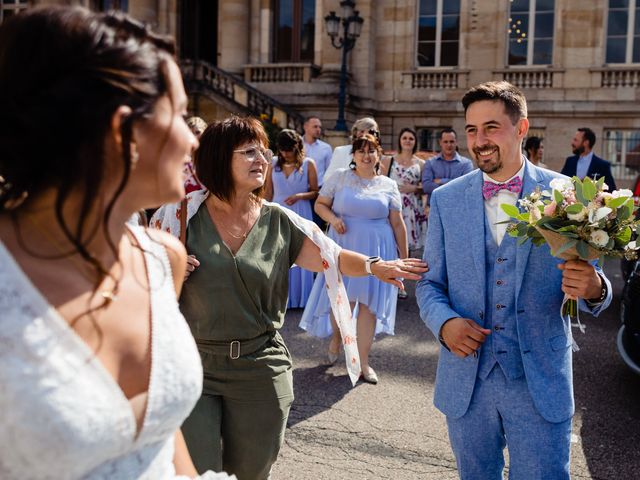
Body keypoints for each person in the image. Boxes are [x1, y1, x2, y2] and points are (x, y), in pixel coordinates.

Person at [0, 6, 233, 479]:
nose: (193, 141)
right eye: (181, 115)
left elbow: (163, 436)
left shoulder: (161, 259)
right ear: (122, 132)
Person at [150, 116, 426, 479]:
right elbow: (136, 278)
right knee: (196, 471)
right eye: (248, 152)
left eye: (262, 151)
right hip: (193, 365)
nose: (262, 160)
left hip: (260, 368)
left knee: (253, 469)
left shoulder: (279, 221)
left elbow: (334, 256)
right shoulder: (177, 216)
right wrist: (165, 268)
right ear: (218, 158)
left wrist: (377, 266)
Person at [416, 80, 612, 479]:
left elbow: (598, 285)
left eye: (491, 127)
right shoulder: (446, 199)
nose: (479, 140)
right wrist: (444, 323)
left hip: (538, 378)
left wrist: (594, 288)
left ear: (521, 129)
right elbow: (429, 283)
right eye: (471, 129)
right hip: (467, 381)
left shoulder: (568, 192)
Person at [301, 133, 408, 385]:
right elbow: (320, 205)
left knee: (369, 307)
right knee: (342, 302)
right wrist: (333, 219)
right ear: (353, 155)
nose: (366, 156)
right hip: (344, 245)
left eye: (371, 151)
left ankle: (363, 363)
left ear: (378, 155)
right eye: (361, 151)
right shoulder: (340, 177)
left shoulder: (388, 185)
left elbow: (397, 222)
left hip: (379, 249)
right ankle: (337, 338)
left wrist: (404, 259)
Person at [265, 129, 318, 308]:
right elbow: (268, 192)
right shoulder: (272, 164)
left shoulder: (309, 164)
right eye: (282, 150)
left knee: (302, 250)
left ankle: (302, 299)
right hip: (278, 211)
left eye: (289, 150)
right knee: (280, 253)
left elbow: (315, 191)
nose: (285, 154)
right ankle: (282, 300)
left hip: (301, 211)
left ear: (297, 147)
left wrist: (300, 196)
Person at [381, 127, 427, 299]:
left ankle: (401, 284)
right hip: (392, 206)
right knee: (391, 243)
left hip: (412, 208)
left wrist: (413, 188)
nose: (408, 141)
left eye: (411, 138)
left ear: (415, 142)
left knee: (405, 248)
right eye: (405, 138)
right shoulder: (388, 160)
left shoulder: (421, 164)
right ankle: (387, 278)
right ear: (400, 140)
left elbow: (425, 186)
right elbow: (380, 181)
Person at [422, 127, 474, 210]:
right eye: (445, 142)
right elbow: (426, 187)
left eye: (452, 141)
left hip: (458, 209)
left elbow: (466, 187)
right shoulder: (430, 163)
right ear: (440, 143)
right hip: (435, 210)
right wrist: (455, 184)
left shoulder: (466, 164)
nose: (449, 145)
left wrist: (442, 181)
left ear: (456, 142)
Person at [322, 117, 380, 183]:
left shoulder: (377, 154)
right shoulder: (341, 151)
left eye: (371, 132)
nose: (365, 135)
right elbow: (327, 179)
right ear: (356, 133)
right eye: (362, 131)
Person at [302, 116, 333, 229]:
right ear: (305, 127)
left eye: (320, 127)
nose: (318, 129)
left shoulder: (326, 148)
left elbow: (329, 171)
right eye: (315, 126)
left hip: (318, 192)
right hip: (299, 191)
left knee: (315, 227)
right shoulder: (297, 145)